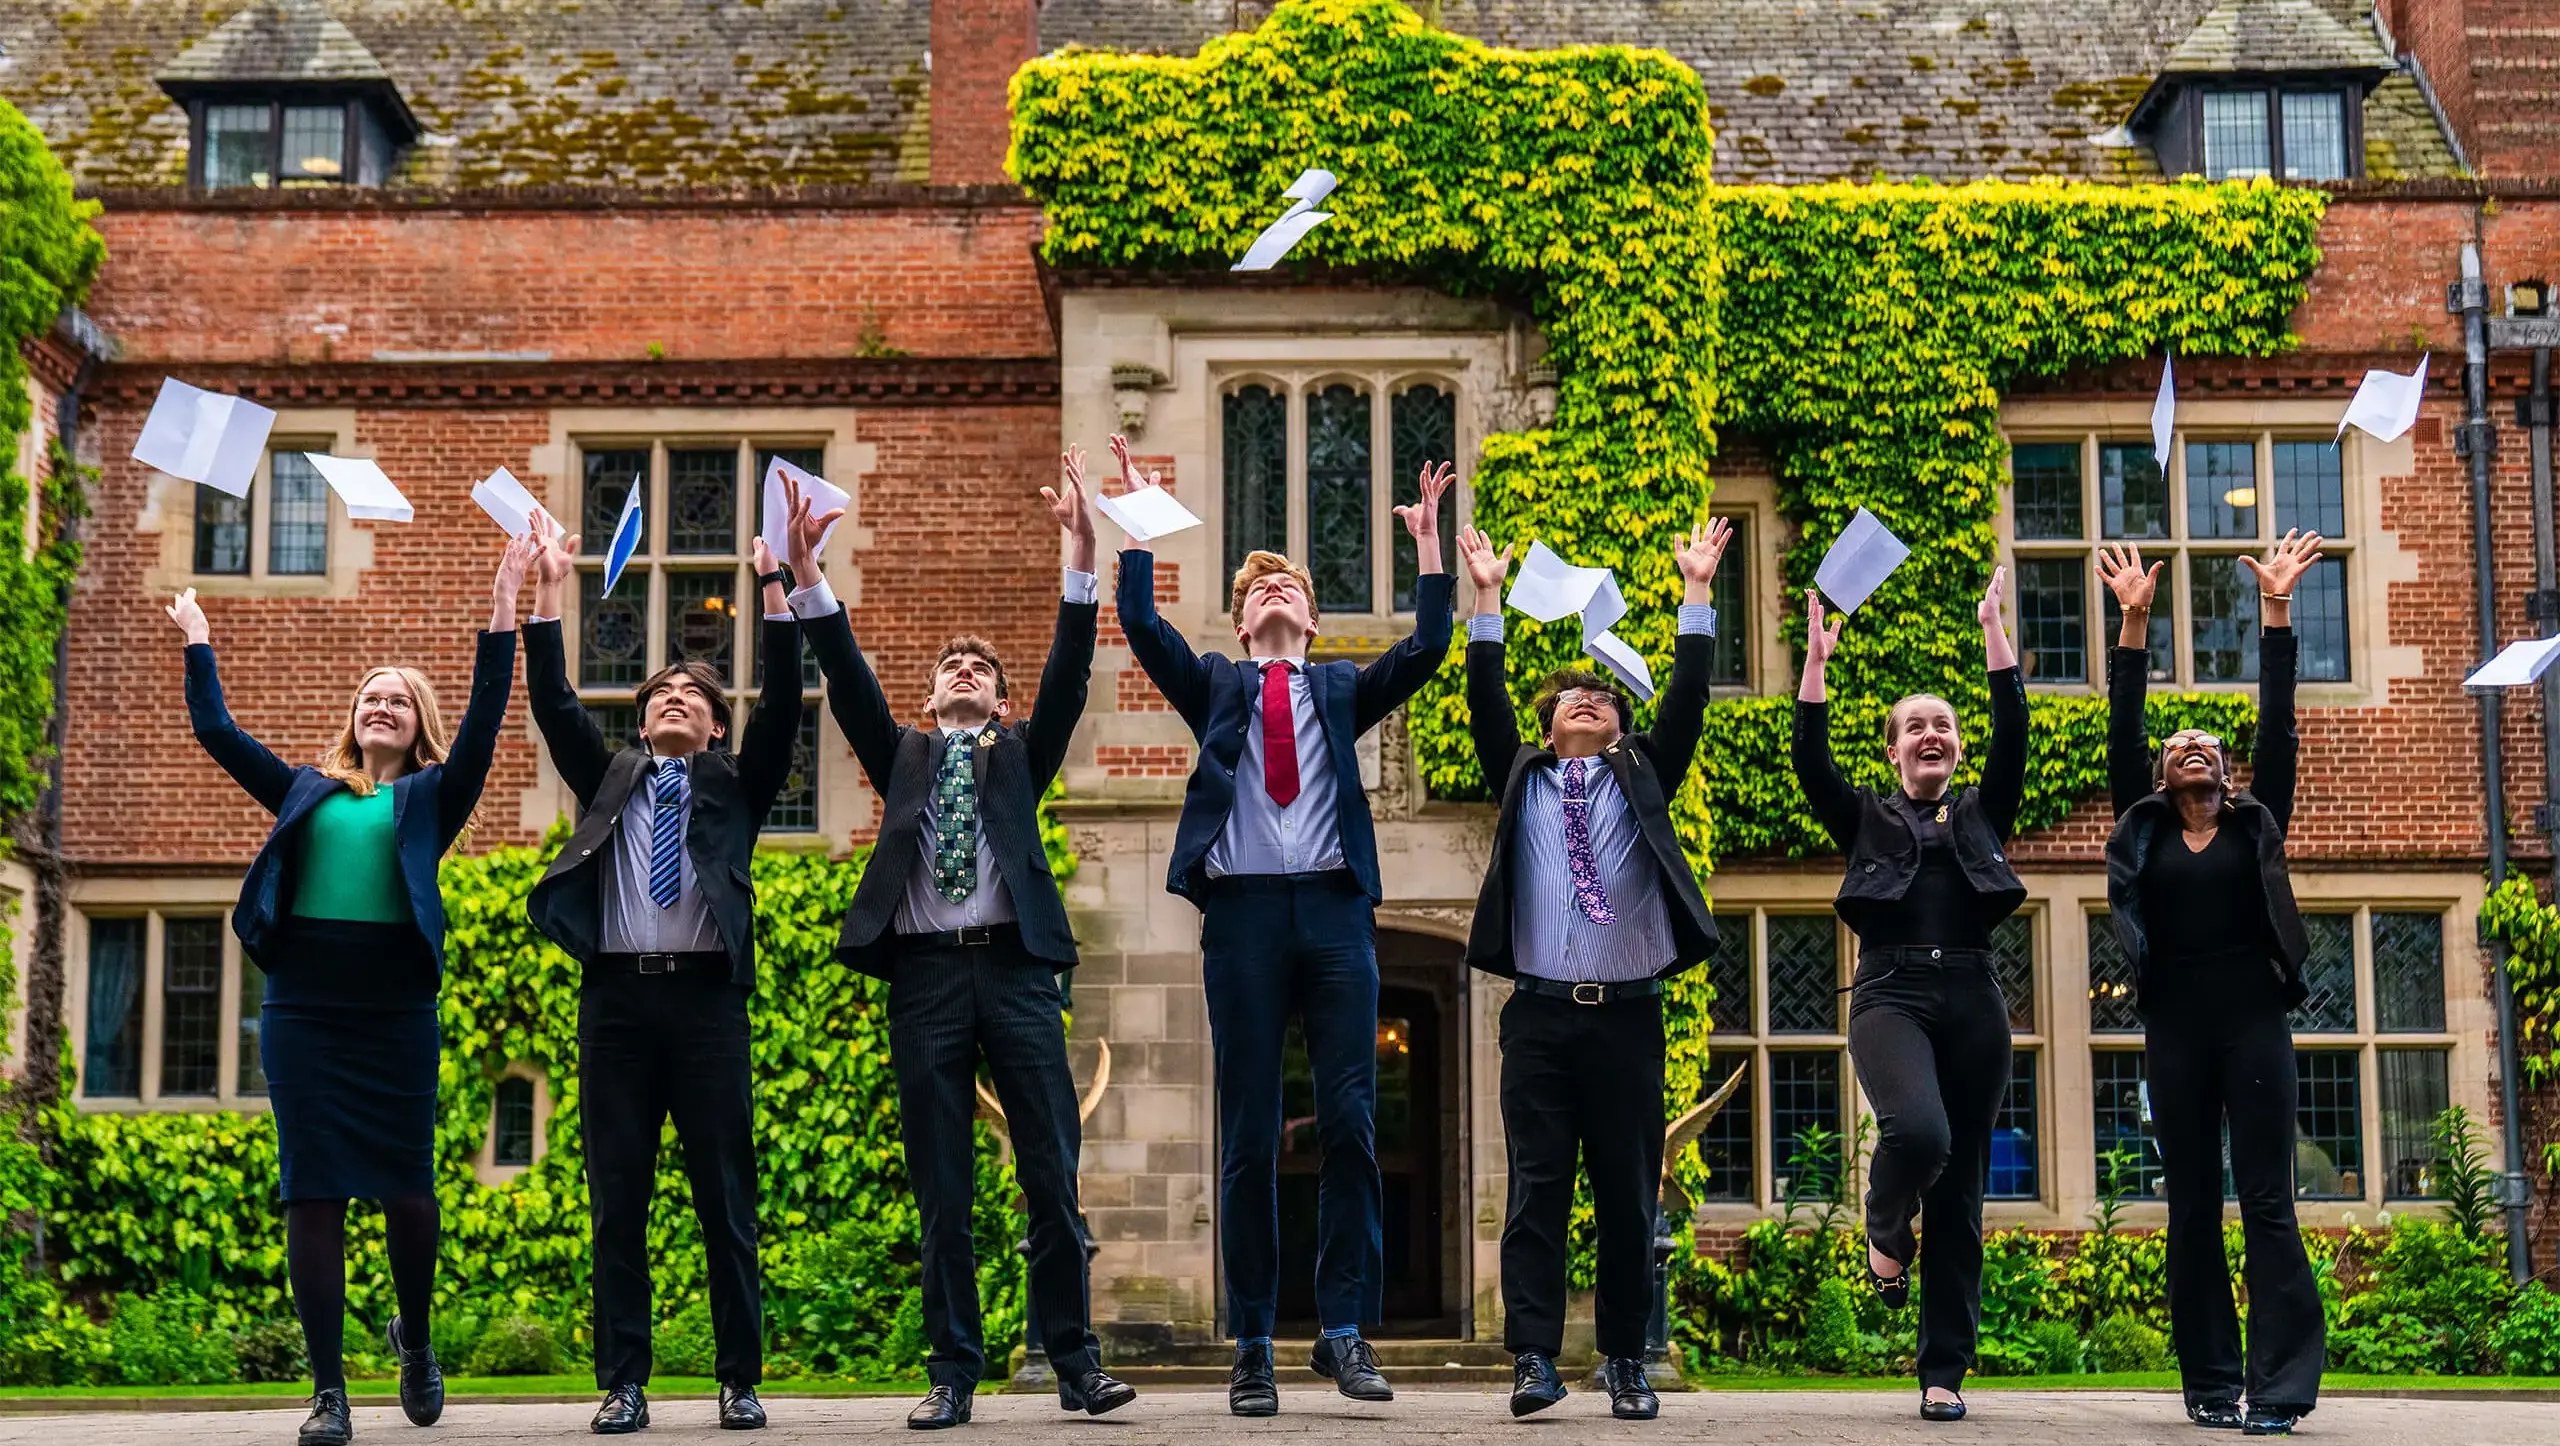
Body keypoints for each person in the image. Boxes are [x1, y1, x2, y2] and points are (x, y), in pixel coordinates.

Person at [781, 460, 1135, 1428]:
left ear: (1000, 697)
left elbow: (1068, 679)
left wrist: (1079, 557)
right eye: (950, 668)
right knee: (942, 1185)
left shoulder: (1021, 753)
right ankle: (951, 1374)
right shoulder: (901, 753)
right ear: (933, 696)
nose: (964, 672)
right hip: (927, 977)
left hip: (1018, 975)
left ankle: (1075, 1363)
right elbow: (847, 677)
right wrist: (808, 576)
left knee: (1050, 1180)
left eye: (980, 667)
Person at [1112, 435, 1455, 1415]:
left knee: (1350, 1120)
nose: (1273, 597)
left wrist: (1427, 550)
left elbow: (1425, 649)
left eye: (1289, 591)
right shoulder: (1217, 685)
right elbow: (1141, 624)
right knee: (1250, 1134)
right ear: (1239, 618)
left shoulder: (1339, 690)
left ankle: (1343, 1330)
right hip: (1246, 917)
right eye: (1257, 591)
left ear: (1310, 619)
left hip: (1335, 911)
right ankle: (1255, 1340)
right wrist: (1137, 516)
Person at [169, 536, 531, 1446]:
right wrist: (198, 636)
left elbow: (488, 718)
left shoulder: (433, 799)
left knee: (409, 1193)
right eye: (372, 695)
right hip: (304, 1012)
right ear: (353, 717)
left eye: (400, 699)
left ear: (418, 725)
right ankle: (328, 1392)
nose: (383, 704)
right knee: (314, 1194)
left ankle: (414, 1344)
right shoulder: (304, 788)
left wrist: (503, 605)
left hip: (395, 1013)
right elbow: (216, 735)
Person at [522, 519, 803, 1435]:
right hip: (617, 1004)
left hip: (706, 1002)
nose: (675, 698)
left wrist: (776, 588)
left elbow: (790, 708)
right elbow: (557, 703)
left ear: (716, 724)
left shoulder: (732, 785)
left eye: (693, 693)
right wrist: (548, 594)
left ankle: (738, 1381)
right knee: (619, 1201)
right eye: (661, 694)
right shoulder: (609, 781)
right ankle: (624, 1384)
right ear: (642, 721)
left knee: (726, 1198)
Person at [1456, 521, 1729, 1422]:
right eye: (1571, 697)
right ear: (1547, 726)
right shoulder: (1522, 779)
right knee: (1538, 1190)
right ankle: (1534, 1359)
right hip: (1537, 1017)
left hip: (1626, 1016)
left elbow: (1685, 699)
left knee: (1624, 1189)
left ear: (1621, 725)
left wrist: (1695, 595)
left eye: (1602, 698)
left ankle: (1624, 1361)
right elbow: (1486, 704)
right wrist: (1488, 603)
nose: (1586, 701)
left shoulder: (1643, 773)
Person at [2098, 531, 2327, 1437]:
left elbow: (2279, 723)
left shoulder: (2256, 823)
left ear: (2228, 775)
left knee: (2268, 1201)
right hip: (2176, 1028)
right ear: (2160, 776)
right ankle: (2209, 1382)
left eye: (2207, 744)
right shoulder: (2143, 829)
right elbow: (2122, 724)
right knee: (2191, 1205)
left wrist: (2275, 611)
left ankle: (2278, 1390)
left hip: (2253, 1019)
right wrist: (2134, 622)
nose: (2193, 745)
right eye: (2178, 744)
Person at [1791, 565, 2025, 1423]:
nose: (1931, 733)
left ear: (1954, 746)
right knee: (1918, 1131)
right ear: (1892, 749)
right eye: (1914, 726)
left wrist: (1993, 630)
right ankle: (1885, 1231)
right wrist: (1817, 664)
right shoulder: (1867, 818)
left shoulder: (1981, 814)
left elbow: (2014, 733)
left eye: (1943, 724)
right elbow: (1809, 760)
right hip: (1891, 991)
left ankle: (1943, 1375)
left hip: (1973, 993)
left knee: (1961, 1192)